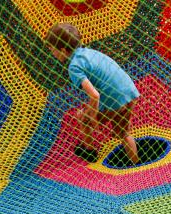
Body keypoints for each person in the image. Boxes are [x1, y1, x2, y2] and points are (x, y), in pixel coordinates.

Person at [46, 23, 140, 164]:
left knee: (83, 118)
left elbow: (95, 95)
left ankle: (90, 152)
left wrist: (92, 117)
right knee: (124, 133)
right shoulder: (88, 52)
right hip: (129, 91)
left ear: (63, 50)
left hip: (113, 99)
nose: (52, 54)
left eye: (53, 50)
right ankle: (136, 163)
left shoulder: (74, 66)